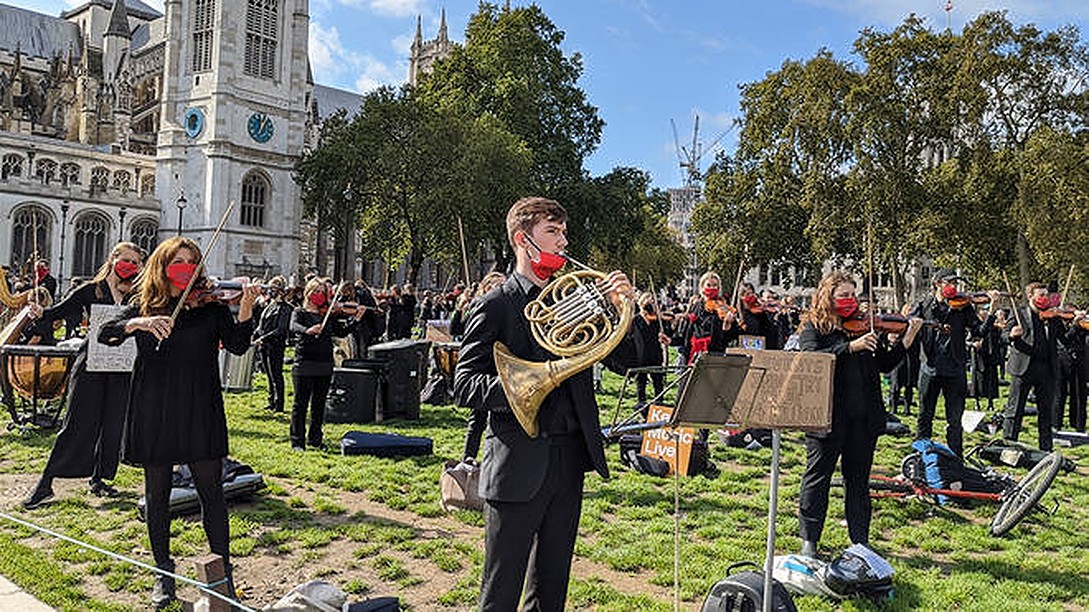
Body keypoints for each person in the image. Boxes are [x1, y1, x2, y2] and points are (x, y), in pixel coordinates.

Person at [453, 196, 639, 610]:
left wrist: (623, 312)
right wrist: (522, 388)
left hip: (570, 458)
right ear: (524, 240)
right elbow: (464, 385)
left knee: (551, 590)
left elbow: (627, 363)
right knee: (500, 593)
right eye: (552, 232)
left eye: (563, 232)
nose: (563, 241)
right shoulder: (495, 305)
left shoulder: (578, 300)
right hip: (517, 463)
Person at [98, 237, 259, 608]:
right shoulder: (144, 304)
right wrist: (139, 323)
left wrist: (246, 307)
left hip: (200, 405)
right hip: (154, 405)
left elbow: (237, 345)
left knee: (212, 494)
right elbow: (106, 335)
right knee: (157, 495)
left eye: (191, 261)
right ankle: (163, 572)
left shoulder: (210, 306)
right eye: (178, 261)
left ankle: (222, 574)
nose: (186, 267)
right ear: (162, 265)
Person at [797, 271, 921, 557]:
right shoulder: (815, 326)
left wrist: (905, 341)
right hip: (827, 417)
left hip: (863, 417)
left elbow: (884, 365)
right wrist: (850, 347)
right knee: (818, 477)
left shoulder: (866, 325)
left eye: (853, 294)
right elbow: (812, 359)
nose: (851, 300)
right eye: (844, 295)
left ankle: (860, 541)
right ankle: (810, 541)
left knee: (858, 481)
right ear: (828, 296)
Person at [21, 242, 145, 510]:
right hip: (91, 364)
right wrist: (40, 312)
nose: (131, 266)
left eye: (136, 263)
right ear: (113, 259)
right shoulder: (91, 289)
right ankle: (46, 483)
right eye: (126, 260)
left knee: (113, 425)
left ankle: (99, 479)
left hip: (123, 368)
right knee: (77, 422)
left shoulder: (138, 295)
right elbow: (57, 312)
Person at [909, 270, 998, 457]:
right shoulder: (924, 305)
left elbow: (979, 331)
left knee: (955, 420)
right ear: (937, 284)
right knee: (925, 416)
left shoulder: (964, 307)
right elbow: (909, 324)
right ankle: (920, 456)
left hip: (955, 368)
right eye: (950, 283)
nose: (954, 288)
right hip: (930, 367)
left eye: (956, 284)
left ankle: (956, 458)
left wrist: (992, 311)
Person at [289, 278, 364, 450]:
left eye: (323, 292)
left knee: (319, 404)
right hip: (304, 362)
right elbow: (293, 326)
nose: (320, 295)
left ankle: (315, 439)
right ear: (308, 293)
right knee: (300, 404)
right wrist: (307, 330)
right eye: (316, 291)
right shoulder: (299, 312)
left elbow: (341, 332)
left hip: (324, 363)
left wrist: (356, 319)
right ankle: (297, 441)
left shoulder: (328, 315)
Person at [1001, 282, 1063, 451]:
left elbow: (1066, 339)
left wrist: (1078, 325)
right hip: (1023, 367)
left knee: (1046, 412)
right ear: (1030, 296)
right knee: (1015, 409)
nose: (1045, 298)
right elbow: (1004, 335)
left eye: (1046, 295)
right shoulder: (1019, 313)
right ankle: (1008, 446)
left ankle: (1046, 449)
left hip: (1046, 369)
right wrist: (1011, 335)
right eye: (1041, 295)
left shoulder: (1053, 316)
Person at [459, 271, 507, 462]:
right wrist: (461, 309)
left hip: (503, 366)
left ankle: (496, 461)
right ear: (487, 288)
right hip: (485, 368)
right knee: (477, 417)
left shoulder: (508, 306)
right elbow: (457, 328)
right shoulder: (480, 305)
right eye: (497, 286)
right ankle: (468, 457)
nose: (501, 289)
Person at [676, 271, 739, 365]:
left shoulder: (723, 307)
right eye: (708, 285)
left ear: (719, 288)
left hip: (715, 353)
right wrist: (671, 340)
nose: (712, 288)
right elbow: (687, 333)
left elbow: (731, 337)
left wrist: (726, 327)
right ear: (702, 287)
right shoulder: (696, 306)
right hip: (696, 352)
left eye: (715, 285)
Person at [253, 276, 292, 413]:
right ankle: (271, 401)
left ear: (281, 291)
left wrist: (263, 338)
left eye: (273, 289)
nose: (270, 291)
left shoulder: (286, 308)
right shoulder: (269, 306)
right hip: (264, 345)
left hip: (275, 345)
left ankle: (279, 403)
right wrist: (255, 335)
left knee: (276, 374)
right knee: (269, 375)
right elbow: (261, 324)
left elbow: (280, 329)